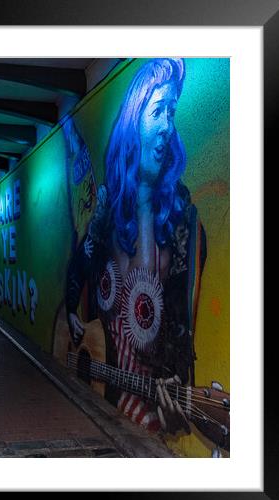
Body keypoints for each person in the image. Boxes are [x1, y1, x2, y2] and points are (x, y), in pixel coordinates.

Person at [64, 58, 207, 436]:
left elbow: (182, 333)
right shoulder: (108, 216)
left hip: (149, 407)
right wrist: (71, 310)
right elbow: (80, 265)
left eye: (171, 113)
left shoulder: (184, 227)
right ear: (133, 124)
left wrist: (177, 389)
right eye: (157, 110)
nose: (166, 127)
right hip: (102, 383)